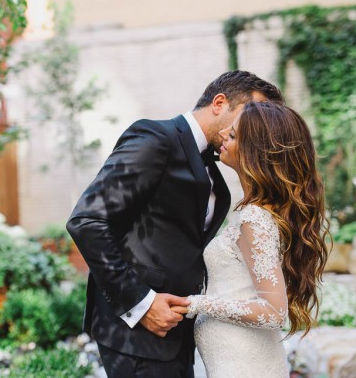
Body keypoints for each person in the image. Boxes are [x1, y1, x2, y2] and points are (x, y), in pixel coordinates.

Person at [66, 70, 284, 377]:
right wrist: (142, 303)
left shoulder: (212, 167)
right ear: (220, 103)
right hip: (139, 334)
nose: (254, 125)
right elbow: (87, 221)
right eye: (251, 113)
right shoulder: (154, 138)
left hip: (180, 332)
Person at [184, 102, 329, 377]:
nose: (224, 133)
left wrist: (196, 303)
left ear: (256, 152)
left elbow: (274, 311)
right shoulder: (253, 212)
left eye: (235, 135)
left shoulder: (254, 219)